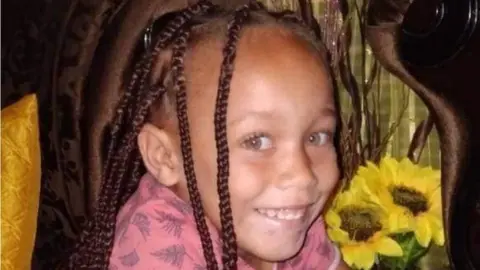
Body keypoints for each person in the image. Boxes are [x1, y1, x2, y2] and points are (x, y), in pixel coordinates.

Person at [67, 1, 350, 269]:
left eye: (318, 137)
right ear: (165, 157)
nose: (303, 175)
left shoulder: (291, 213)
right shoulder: (157, 247)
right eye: (257, 140)